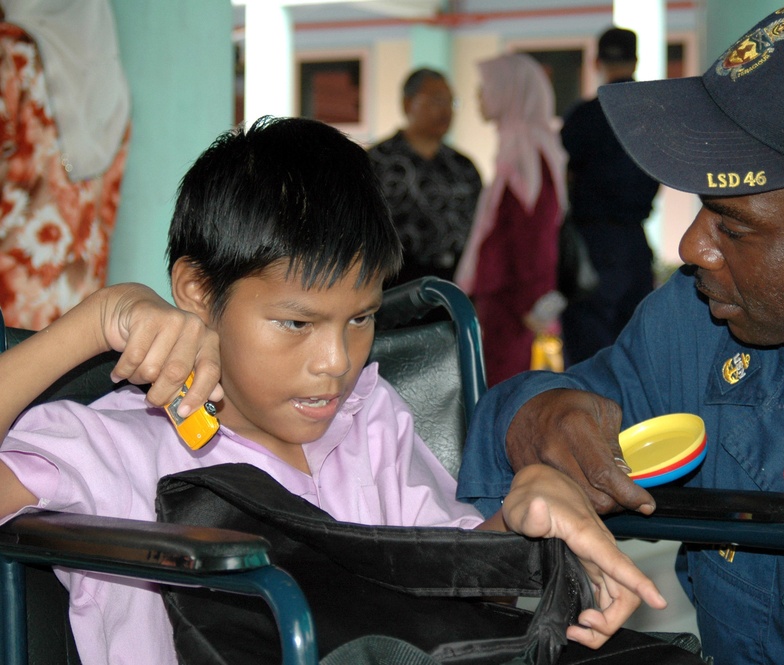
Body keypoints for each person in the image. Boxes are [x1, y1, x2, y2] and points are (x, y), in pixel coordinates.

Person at [0, 116, 665, 664]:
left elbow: (439, 595)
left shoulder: (368, 420)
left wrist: (523, 510)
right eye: (296, 323)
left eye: (361, 318)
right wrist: (94, 321)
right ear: (198, 293)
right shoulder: (117, 446)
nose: (335, 362)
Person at [455, 1, 784, 663]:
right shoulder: (702, 326)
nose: (690, 246)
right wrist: (541, 420)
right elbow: (537, 410)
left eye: (732, 224)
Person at [0, 0, 131, 330]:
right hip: (79, 301)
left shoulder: (12, 51)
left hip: (11, 292)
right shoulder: (108, 82)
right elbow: (108, 200)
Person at [455, 53, 567, 386]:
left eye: (487, 86)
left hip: (513, 305)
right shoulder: (520, 146)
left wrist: (530, 305)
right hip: (506, 301)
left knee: (501, 395)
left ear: (512, 90)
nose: (479, 96)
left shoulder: (526, 152)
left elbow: (534, 234)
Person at [559, 27, 661, 367]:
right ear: (636, 60)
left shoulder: (584, 117)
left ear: (596, 61)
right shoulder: (653, 114)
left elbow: (566, 176)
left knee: (590, 357)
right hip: (636, 244)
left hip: (593, 245)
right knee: (635, 352)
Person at [368, 68, 482, 288]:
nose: (446, 110)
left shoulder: (463, 166)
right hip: (394, 283)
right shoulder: (377, 162)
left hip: (455, 281)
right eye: (437, 101)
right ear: (407, 104)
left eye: (451, 102)